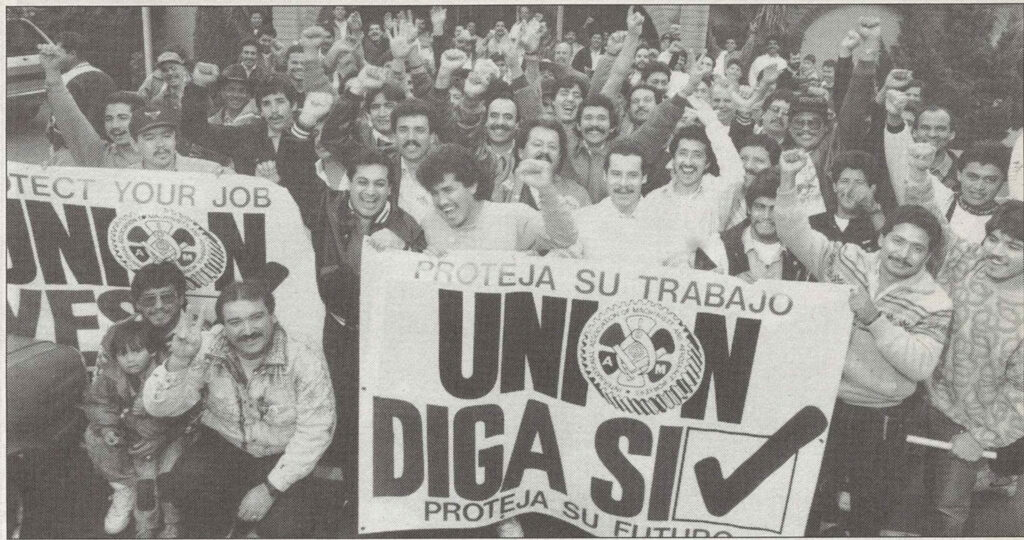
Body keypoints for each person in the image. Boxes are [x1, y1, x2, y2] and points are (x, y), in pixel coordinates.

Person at [775, 148, 952, 536]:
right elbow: (794, 233)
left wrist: (874, 318)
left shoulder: (936, 302)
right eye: (897, 241)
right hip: (823, 404)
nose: (903, 254)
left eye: (917, 248)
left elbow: (920, 366)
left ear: (929, 255)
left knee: (869, 511)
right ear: (882, 236)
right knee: (802, 500)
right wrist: (787, 180)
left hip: (881, 417)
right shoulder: (848, 259)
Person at [144, 282, 336, 538]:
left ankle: (253, 528)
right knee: (185, 484)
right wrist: (178, 361)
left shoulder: (303, 357)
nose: (247, 331)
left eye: (256, 317)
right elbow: (160, 408)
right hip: (225, 447)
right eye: (235, 322)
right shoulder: (204, 346)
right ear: (223, 325)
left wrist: (270, 489)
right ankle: (221, 523)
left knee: (289, 528)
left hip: (279, 455)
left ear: (273, 316)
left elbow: (316, 431)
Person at [900, 143, 1024, 536]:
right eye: (994, 240)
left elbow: (1022, 393)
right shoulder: (968, 259)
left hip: (970, 428)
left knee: (948, 507)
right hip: (922, 400)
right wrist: (919, 173)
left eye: (1014, 247)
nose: (998, 252)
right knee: (903, 494)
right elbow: (934, 221)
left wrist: (982, 437)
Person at [83, 320, 186, 538]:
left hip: (169, 438)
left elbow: (181, 413)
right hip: (137, 438)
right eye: (122, 353)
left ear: (151, 351)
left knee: (167, 476)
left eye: (136, 351)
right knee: (146, 484)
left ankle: (172, 525)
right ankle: (145, 524)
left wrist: (159, 434)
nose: (129, 359)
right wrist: (109, 429)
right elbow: (99, 403)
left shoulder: (168, 372)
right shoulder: (111, 375)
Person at [416, 143, 577, 254]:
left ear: (472, 185)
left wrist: (546, 190)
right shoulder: (430, 222)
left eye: (448, 190)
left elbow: (565, 240)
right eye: (434, 193)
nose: (442, 201)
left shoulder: (515, 217)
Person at [182, 64, 297, 177]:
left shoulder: (307, 136)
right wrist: (198, 85)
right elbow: (195, 131)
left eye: (280, 101)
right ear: (260, 110)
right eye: (266, 104)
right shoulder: (247, 136)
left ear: (293, 105)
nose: (274, 110)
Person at [40, 43, 144, 168]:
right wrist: (52, 72)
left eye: (122, 117)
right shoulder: (99, 155)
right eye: (109, 119)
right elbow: (72, 121)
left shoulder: (162, 154)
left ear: (140, 120)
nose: (115, 125)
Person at [721, 167, 811, 282]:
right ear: (749, 208)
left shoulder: (802, 253)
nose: (766, 216)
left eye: (775, 209)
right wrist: (730, 284)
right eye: (760, 207)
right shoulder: (721, 245)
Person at [44, 31, 116, 162]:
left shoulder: (69, 81)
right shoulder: (105, 77)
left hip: (72, 150)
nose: (54, 57)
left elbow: (64, 119)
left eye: (58, 53)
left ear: (72, 54)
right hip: (103, 148)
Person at [808, 150, 886, 252]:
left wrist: (874, 212)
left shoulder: (876, 225)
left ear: (872, 189)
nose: (850, 189)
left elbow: (889, 250)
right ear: (834, 186)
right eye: (844, 181)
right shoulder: (814, 223)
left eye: (859, 182)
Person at [128, 103, 223, 173]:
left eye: (166, 136)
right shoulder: (124, 177)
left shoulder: (208, 171)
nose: (160, 144)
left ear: (175, 139)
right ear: (135, 144)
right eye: (150, 138)